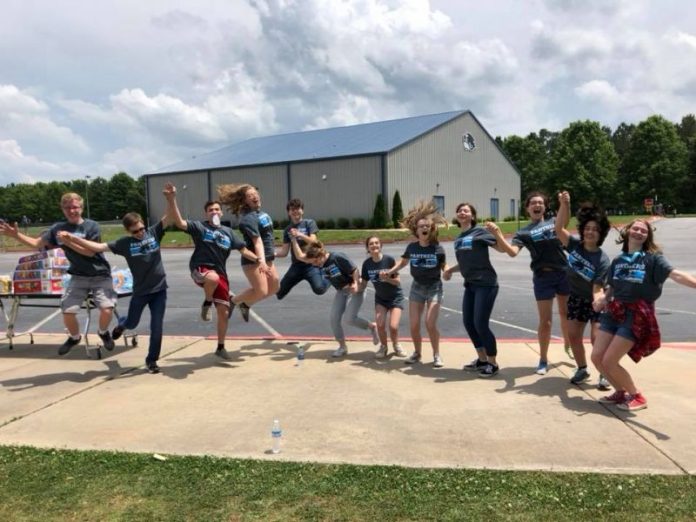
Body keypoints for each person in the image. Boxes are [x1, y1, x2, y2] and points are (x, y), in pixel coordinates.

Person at [591, 219, 696, 411]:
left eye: (644, 231)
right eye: (635, 228)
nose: (639, 232)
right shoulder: (618, 260)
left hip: (636, 314)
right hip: (614, 312)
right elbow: (612, 287)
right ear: (628, 231)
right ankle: (619, 391)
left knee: (609, 361)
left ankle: (636, 395)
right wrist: (603, 299)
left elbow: (675, 274)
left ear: (647, 236)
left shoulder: (653, 258)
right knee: (597, 357)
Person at [57, 205, 172, 374]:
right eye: (135, 231)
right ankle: (122, 325)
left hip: (159, 290)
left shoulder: (154, 233)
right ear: (128, 232)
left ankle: (151, 360)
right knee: (132, 323)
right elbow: (97, 247)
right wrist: (73, 238)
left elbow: (170, 216)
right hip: (141, 292)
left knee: (157, 327)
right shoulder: (124, 244)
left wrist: (171, 199)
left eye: (141, 229)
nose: (140, 233)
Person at [0, 193, 116, 355]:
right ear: (62, 209)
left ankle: (103, 332)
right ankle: (75, 337)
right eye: (67, 207)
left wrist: (69, 241)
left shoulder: (92, 226)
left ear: (81, 208)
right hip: (78, 275)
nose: (71, 210)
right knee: (68, 310)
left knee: (106, 309)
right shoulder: (57, 228)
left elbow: (90, 252)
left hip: (100, 274)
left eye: (75, 207)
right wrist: (16, 235)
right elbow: (37, 244)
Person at [165, 182, 260, 360]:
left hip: (220, 273)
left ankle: (220, 347)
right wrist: (172, 199)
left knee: (224, 312)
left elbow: (244, 250)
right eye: (211, 210)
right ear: (206, 214)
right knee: (213, 278)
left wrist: (259, 260)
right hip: (201, 269)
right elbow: (179, 222)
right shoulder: (201, 228)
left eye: (217, 209)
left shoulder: (228, 232)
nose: (214, 212)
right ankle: (207, 302)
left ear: (221, 212)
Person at [490, 191, 570, 375]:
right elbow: (512, 252)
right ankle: (543, 359)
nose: (537, 205)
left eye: (540, 202)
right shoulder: (523, 232)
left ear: (545, 207)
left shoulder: (552, 223)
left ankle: (568, 343)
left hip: (563, 273)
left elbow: (564, 220)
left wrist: (565, 203)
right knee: (546, 321)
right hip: (543, 277)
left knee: (566, 314)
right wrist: (498, 234)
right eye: (533, 202)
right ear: (527, 208)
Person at [381, 201, 449, 368]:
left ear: (431, 229)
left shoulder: (437, 249)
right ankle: (417, 353)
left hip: (434, 287)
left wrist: (447, 271)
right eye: (421, 226)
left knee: (430, 323)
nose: (424, 228)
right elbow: (403, 263)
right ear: (416, 230)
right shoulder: (412, 247)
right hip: (417, 287)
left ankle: (436, 354)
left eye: (427, 226)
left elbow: (443, 266)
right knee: (413, 325)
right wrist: (390, 271)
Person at [554, 191, 612, 388]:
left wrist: (598, 300)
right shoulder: (574, 245)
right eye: (587, 228)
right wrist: (564, 204)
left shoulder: (603, 260)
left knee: (597, 338)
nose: (590, 232)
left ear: (601, 233)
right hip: (577, 299)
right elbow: (559, 227)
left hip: (596, 301)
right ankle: (581, 368)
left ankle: (605, 373)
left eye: (595, 229)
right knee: (573, 335)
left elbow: (597, 288)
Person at [443, 203, 503, 378]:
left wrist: (497, 234)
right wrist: (449, 271)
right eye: (460, 210)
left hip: (486, 284)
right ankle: (482, 359)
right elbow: (464, 264)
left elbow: (500, 248)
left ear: (472, 216)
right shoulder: (459, 238)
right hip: (470, 285)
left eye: (466, 210)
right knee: (469, 323)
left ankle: (493, 363)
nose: (462, 212)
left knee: (480, 323)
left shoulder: (480, 232)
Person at [293, 238, 379, 357]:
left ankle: (371, 326)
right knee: (334, 319)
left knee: (349, 318)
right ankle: (342, 347)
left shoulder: (337, 257)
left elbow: (354, 270)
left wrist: (354, 283)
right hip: (341, 291)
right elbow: (300, 257)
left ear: (320, 255)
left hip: (355, 289)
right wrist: (294, 239)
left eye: (315, 262)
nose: (314, 265)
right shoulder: (318, 260)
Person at [218, 184, 279, 322]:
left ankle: (245, 305)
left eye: (255, 193)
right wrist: (261, 261)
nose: (254, 196)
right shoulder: (247, 219)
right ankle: (233, 301)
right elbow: (257, 242)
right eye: (249, 195)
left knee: (274, 287)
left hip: (267, 257)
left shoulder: (263, 214)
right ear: (245, 201)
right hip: (254, 261)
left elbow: (268, 236)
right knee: (261, 291)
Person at [274, 198, 330, 300]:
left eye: (298, 208)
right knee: (279, 293)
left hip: (311, 264)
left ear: (302, 210)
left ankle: (328, 276)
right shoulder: (287, 230)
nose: (295, 211)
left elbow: (314, 242)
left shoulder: (309, 223)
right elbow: (284, 252)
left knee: (319, 289)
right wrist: (271, 254)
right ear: (289, 212)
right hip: (297, 265)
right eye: (292, 209)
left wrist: (300, 234)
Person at [360, 235, 406, 358]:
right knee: (380, 325)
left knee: (393, 326)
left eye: (376, 243)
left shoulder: (389, 260)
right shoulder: (367, 264)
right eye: (371, 244)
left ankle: (396, 346)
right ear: (368, 248)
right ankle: (384, 347)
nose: (374, 245)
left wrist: (387, 279)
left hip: (395, 297)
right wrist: (353, 287)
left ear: (381, 246)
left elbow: (397, 282)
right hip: (381, 299)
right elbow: (363, 283)